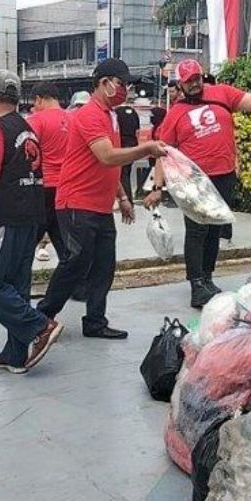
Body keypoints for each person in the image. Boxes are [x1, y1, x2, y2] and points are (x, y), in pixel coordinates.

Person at [144, 59, 251, 308]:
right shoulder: (175, 113)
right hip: (194, 181)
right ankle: (196, 283)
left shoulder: (222, 93)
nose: (195, 84)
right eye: (189, 81)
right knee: (197, 231)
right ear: (181, 84)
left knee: (215, 229)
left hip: (224, 175)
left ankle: (207, 277)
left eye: (197, 78)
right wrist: (156, 188)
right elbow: (163, 153)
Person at [37, 58, 166, 339]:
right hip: (76, 202)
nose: (126, 90)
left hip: (99, 205)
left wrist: (122, 197)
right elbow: (106, 156)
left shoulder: (111, 115)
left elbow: (112, 164)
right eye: (122, 84)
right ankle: (41, 316)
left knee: (104, 266)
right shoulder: (90, 115)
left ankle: (95, 320)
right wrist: (147, 149)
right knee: (76, 262)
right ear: (104, 83)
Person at [0, 70, 63, 374]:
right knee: (17, 285)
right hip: (31, 215)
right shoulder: (27, 128)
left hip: (4, 219)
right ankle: (15, 355)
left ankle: (39, 327)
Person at [27, 81, 69, 263]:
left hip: (42, 187)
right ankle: (72, 288)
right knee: (65, 245)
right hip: (67, 188)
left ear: (38, 99)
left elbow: (27, 153)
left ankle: (19, 288)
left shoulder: (35, 121)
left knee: (26, 246)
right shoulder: (74, 119)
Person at [115, 103, 142, 203]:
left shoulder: (117, 113)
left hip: (121, 146)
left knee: (122, 174)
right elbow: (138, 131)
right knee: (127, 172)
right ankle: (127, 198)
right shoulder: (134, 112)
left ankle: (126, 199)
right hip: (132, 145)